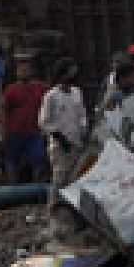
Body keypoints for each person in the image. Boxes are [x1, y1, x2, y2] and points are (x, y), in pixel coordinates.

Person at [38, 57, 87, 228]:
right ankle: (53, 213)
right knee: (59, 178)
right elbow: (44, 121)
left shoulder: (77, 92)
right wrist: (58, 136)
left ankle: (72, 213)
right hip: (60, 146)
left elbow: (82, 115)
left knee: (75, 178)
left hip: (77, 143)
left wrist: (83, 131)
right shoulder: (51, 96)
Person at [0, 56, 48, 183]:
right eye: (21, 69)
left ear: (31, 71)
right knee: (11, 161)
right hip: (14, 132)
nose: (23, 71)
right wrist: (2, 133)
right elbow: (3, 112)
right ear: (16, 72)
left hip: (35, 132)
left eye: (26, 69)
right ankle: (12, 188)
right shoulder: (10, 90)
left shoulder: (42, 87)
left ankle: (38, 190)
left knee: (39, 160)